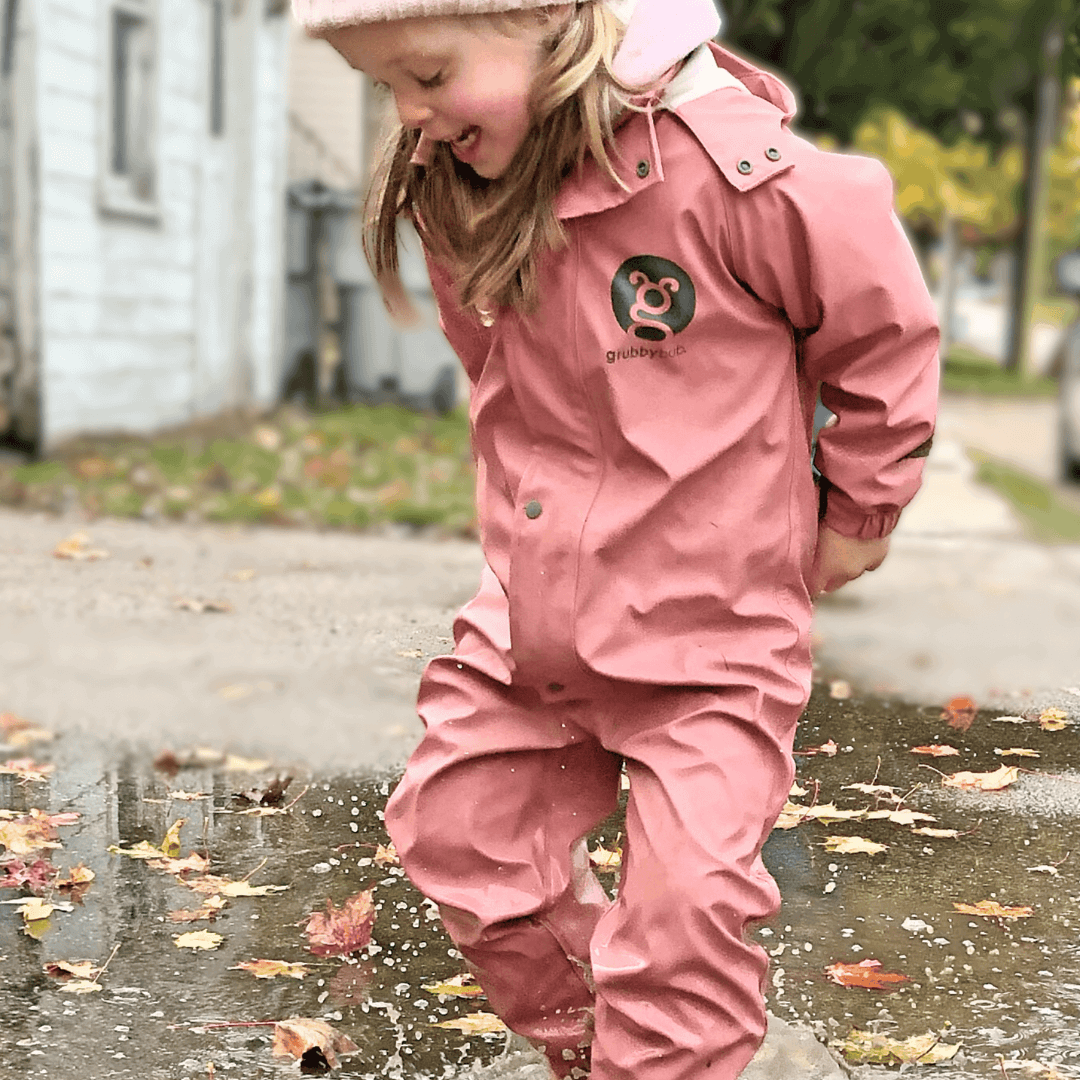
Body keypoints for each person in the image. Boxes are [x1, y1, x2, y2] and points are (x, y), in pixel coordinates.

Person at [292, 0, 940, 1077]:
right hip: (535, 621)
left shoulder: (735, 171)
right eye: (385, 88)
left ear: (558, 19)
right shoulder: (468, 184)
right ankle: (614, 1050)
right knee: (460, 830)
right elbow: (498, 370)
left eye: (427, 73)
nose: (410, 114)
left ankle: (673, 1043)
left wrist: (859, 509)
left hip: (713, 639)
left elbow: (882, 329)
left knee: (683, 915)